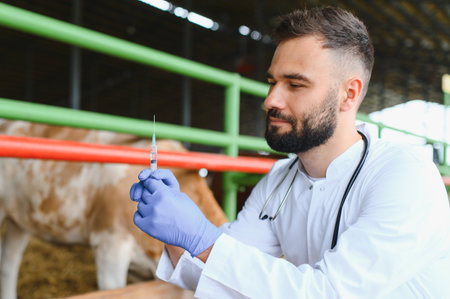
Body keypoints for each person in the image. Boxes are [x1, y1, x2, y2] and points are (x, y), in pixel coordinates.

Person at [129, 6, 450, 298]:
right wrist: (176, 233)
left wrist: (201, 239)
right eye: (272, 82)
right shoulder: (280, 181)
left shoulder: (404, 174)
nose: (270, 100)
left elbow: (329, 293)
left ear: (348, 95)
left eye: (295, 85)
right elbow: (219, 275)